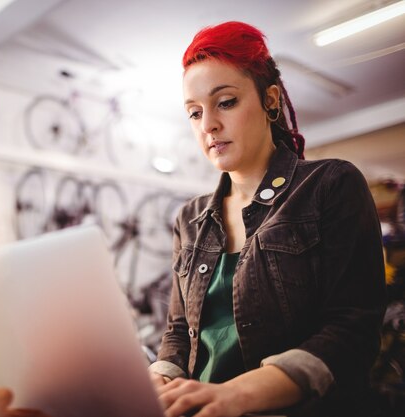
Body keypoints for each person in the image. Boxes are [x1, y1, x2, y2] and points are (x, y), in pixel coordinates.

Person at [148, 21, 386, 417]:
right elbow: (177, 333)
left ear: (270, 102)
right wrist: (160, 380)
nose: (208, 125)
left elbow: (352, 330)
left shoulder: (330, 185)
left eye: (225, 102)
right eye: (194, 113)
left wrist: (237, 395)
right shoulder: (189, 218)